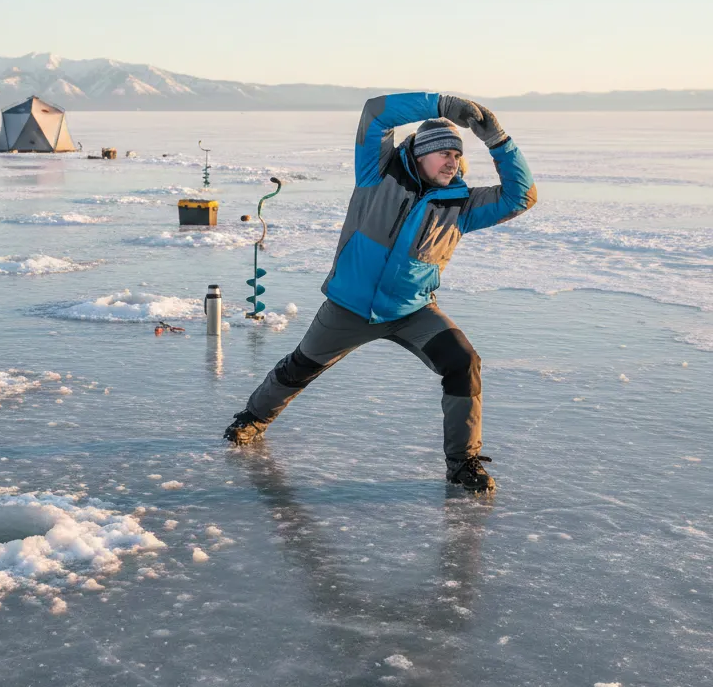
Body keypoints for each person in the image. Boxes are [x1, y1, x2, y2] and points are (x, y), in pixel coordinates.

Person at [224, 93, 537, 493]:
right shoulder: (377, 174)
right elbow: (375, 113)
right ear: (420, 153)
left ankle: (463, 462)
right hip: (349, 308)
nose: (452, 162)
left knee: (463, 362)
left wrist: (498, 140)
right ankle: (252, 419)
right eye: (444, 153)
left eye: (457, 155)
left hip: (412, 311)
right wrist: (441, 106)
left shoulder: (461, 204)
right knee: (300, 367)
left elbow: (521, 196)